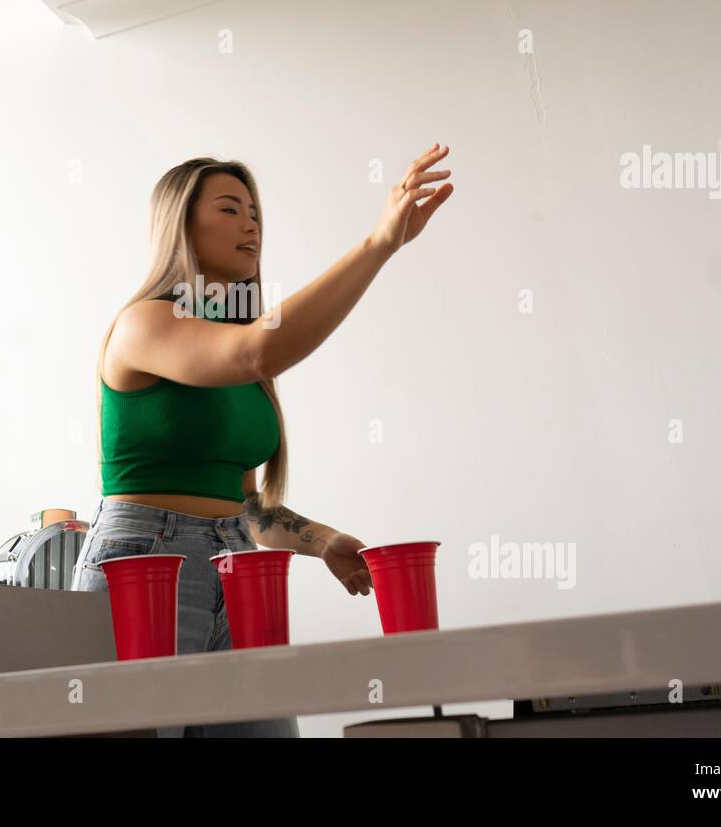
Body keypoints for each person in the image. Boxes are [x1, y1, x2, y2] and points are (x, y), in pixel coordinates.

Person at [73, 144, 454, 737]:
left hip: (242, 568)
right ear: (182, 225)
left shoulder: (236, 353)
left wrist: (322, 539)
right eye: (229, 208)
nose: (251, 222)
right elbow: (256, 348)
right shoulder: (142, 323)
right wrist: (379, 244)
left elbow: (246, 508)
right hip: (145, 566)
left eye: (254, 210)